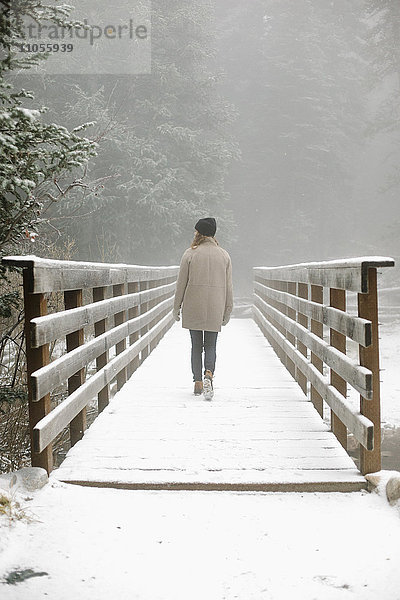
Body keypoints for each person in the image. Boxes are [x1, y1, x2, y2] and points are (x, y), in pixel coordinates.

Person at [173, 217, 233, 400]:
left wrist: (176, 307)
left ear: (199, 233)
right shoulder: (224, 255)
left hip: (193, 306)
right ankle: (209, 373)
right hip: (215, 306)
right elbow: (229, 287)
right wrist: (227, 309)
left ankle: (197, 382)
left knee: (196, 346)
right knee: (211, 345)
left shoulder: (190, 254)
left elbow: (181, 284)